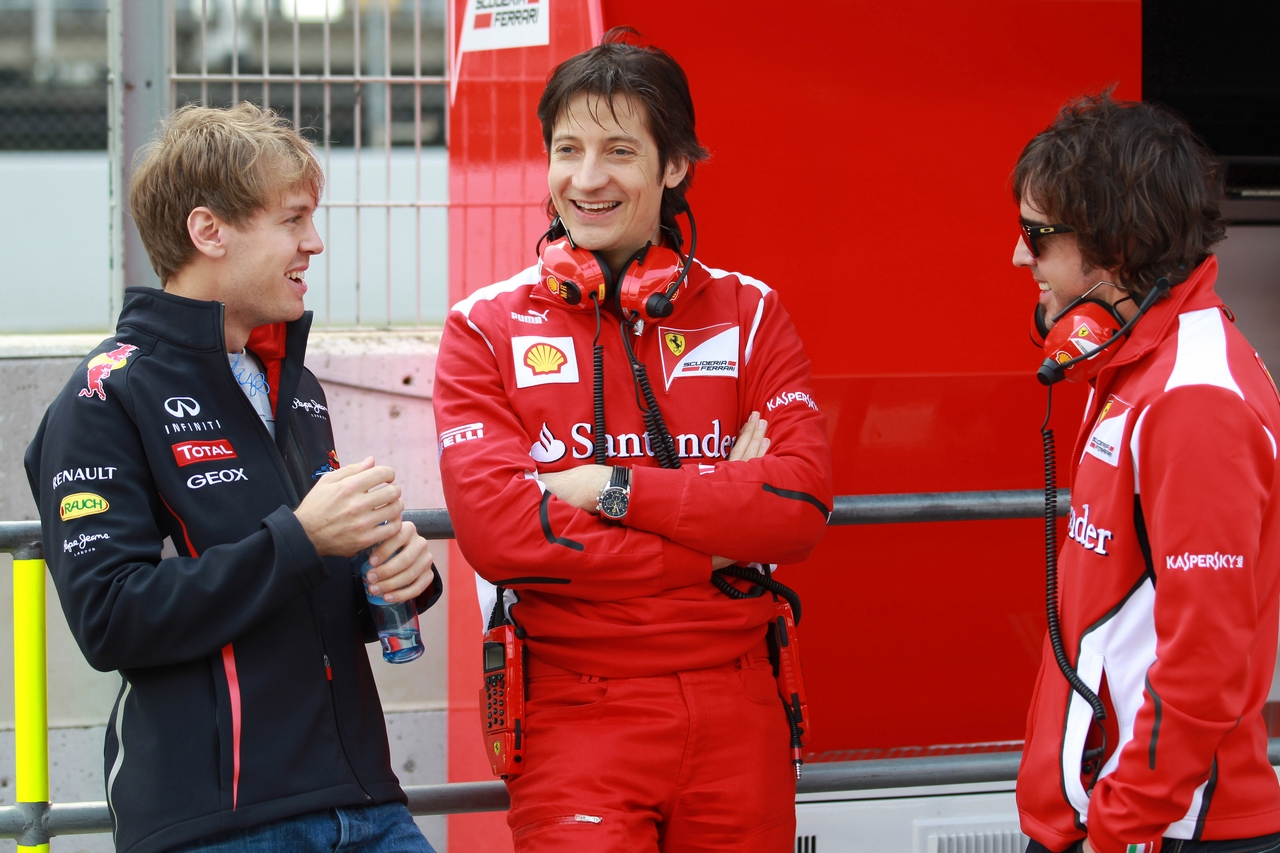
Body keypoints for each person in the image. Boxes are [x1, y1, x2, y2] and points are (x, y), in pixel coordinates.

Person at [433, 28, 833, 852]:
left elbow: (794, 506)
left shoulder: (750, 310)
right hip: (574, 712)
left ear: (675, 165)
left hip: (739, 706)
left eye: (618, 150)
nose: (586, 179)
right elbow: (499, 534)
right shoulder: (483, 326)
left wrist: (605, 485)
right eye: (567, 149)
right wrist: (715, 534)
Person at [24, 103, 442, 853]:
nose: (313, 243)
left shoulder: (293, 381)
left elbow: (297, 587)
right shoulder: (104, 394)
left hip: (369, 802)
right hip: (220, 825)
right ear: (209, 230)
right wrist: (304, 538)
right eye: (293, 220)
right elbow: (110, 617)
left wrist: (392, 578)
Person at [1012, 93, 1280, 853]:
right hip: (1115, 815)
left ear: (1114, 245)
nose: (1019, 256)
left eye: (1037, 234)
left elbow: (1205, 660)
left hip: (1163, 828)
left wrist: (1121, 826)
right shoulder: (1139, 363)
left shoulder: (1194, 399)